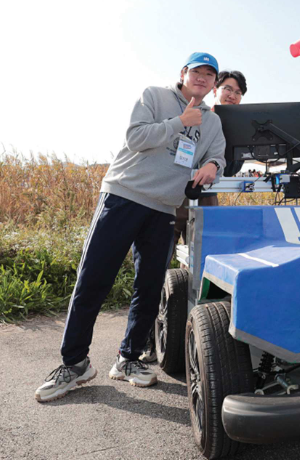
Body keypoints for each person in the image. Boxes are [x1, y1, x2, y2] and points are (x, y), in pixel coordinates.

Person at [35, 52, 226, 402]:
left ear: (214, 83)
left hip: (164, 209)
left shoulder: (212, 122)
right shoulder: (154, 96)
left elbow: (218, 154)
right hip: (123, 197)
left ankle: (129, 358)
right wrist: (178, 121)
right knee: (93, 279)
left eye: (209, 74)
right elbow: (136, 138)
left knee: (150, 287)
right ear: (183, 73)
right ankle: (74, 363)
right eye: (196, 71)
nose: (202, 78)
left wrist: (213, 164)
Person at [174, 70, 248, 246]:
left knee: (201, 254)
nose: (232, 96)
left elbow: (231, 170)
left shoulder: (242, 127)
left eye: (238, 93)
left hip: (207, 194)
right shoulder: (197, 114)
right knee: (160, 252)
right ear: (215, 89)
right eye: (228, 89)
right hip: (175, 193)